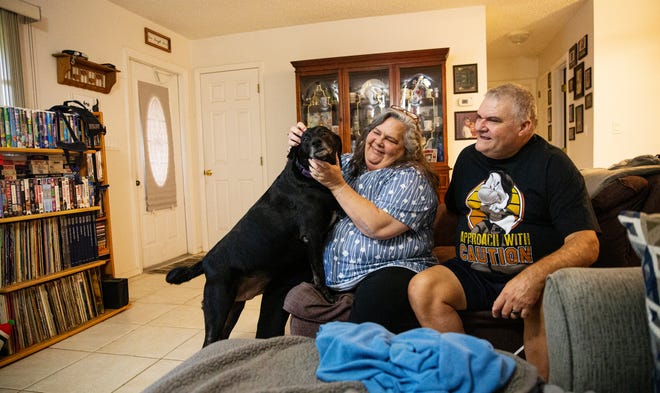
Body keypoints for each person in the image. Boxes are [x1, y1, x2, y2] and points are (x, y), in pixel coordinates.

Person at [407, 83, 600, 380]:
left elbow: (586, 243)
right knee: (424, 287)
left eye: (493, 121)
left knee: (544, 298)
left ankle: (539, 387)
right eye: (479, 117)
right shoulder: (469, 158)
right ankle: (468, 378)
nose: (479, 127)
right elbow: (453, 213)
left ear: (525, 126)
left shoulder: (554, 165)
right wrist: (422, 243)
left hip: (532, 275)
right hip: (473, 270)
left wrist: (532, 277)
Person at [287, 106, 439, 333]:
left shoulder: (411, 176)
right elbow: (303, 177)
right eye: (376, 132)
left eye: (390, 140)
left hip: (390, 267)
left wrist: (337, 184)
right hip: (337, 273)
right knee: (283, 276)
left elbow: (377, 226)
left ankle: (358, 359)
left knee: (378, 293)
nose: (378, 142)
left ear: (405, 150)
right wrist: (301, 144)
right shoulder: (347, 164)